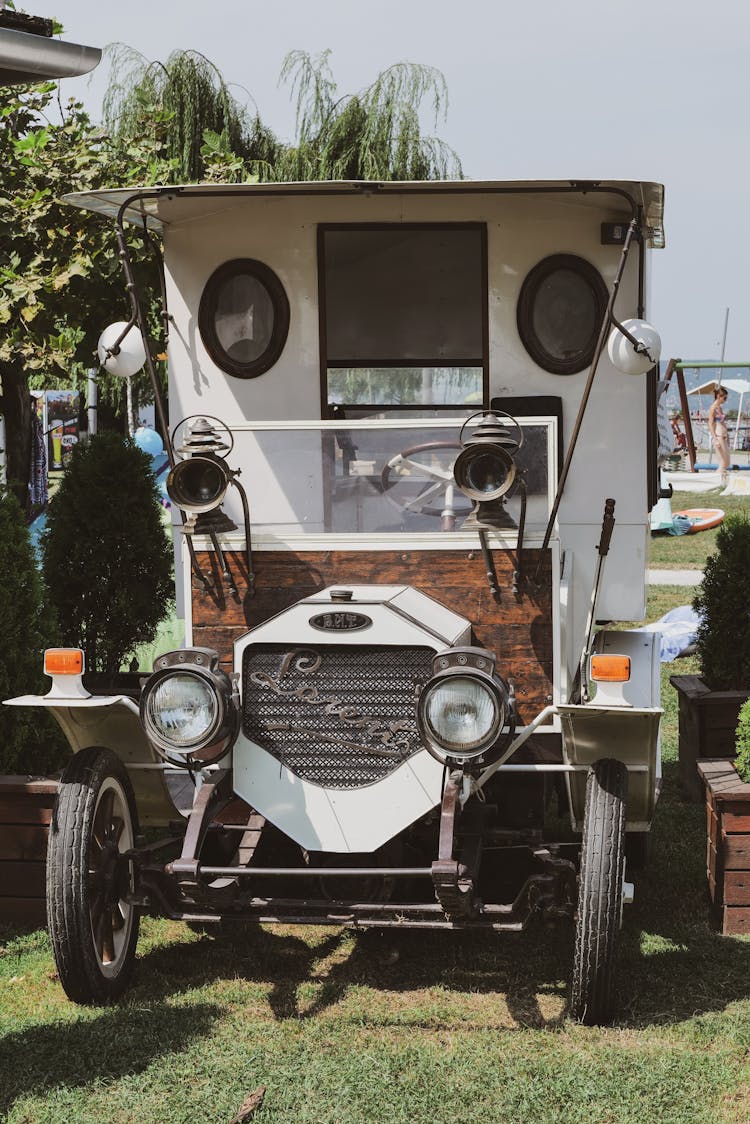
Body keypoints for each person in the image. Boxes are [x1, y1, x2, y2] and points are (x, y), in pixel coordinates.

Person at [708, 385, 730, 481]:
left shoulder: (719, 408)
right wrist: (715, 438)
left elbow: (722, 422)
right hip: (719, 435)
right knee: (723, 462)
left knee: (727, 462)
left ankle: (722, 480)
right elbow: (710, 423)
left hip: (723, 435)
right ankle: (716, 480)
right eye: (724, 398)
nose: (725, 400)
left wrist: (727, 435)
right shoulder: (713, 408)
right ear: (718, 396)